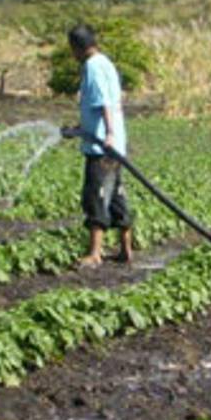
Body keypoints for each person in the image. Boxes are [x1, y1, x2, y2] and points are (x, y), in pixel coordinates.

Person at [67, 24, 133, 266]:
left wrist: (109, 134)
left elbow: (104, 102)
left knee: (95, 196)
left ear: (77, 47)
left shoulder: (92, 66)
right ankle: (126, 250)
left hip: (102, 147)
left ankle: (95, 254)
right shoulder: (105, 62)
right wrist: (80, 127)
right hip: (112, 144)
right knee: (115, 195)